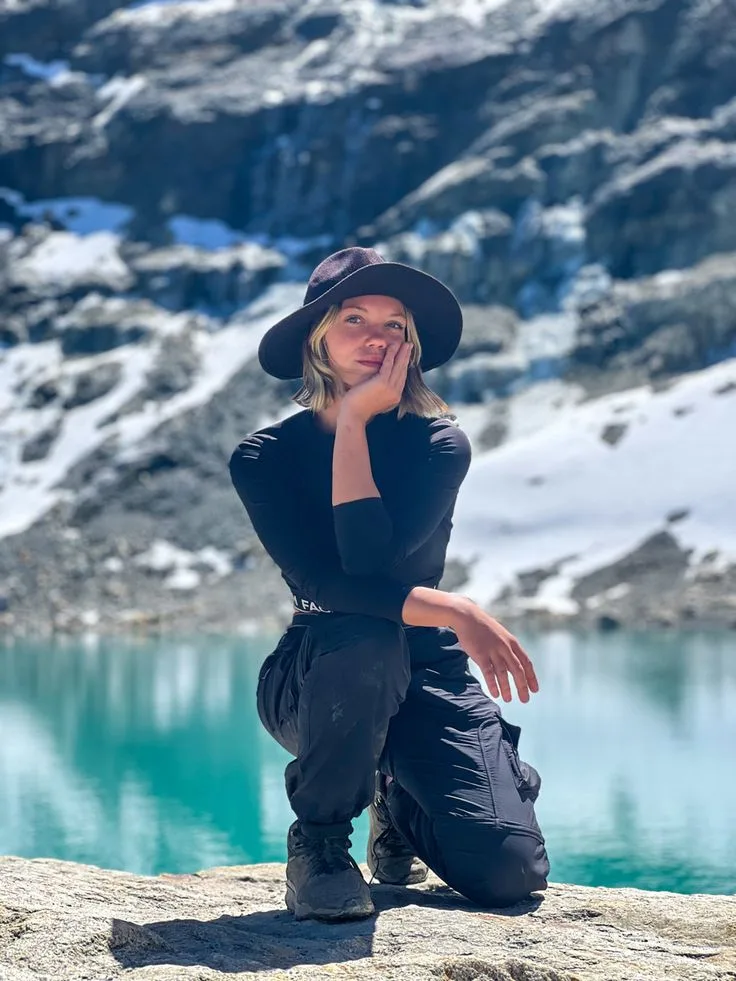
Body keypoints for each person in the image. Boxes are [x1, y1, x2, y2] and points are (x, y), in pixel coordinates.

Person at [228, 247, 549, 922]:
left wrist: (356, 422)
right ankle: (320, 844)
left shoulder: (438, 444)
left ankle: (400, 799)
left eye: (394, 325)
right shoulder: (264, 458)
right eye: (354, 319)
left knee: (509, 871)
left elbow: (373, 559)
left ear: (412, 344)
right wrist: (455, 608)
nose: (377, 337)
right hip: (324, 671)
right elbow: (330, 581)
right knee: (366, 635)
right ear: (318, 339)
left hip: (429, 671)